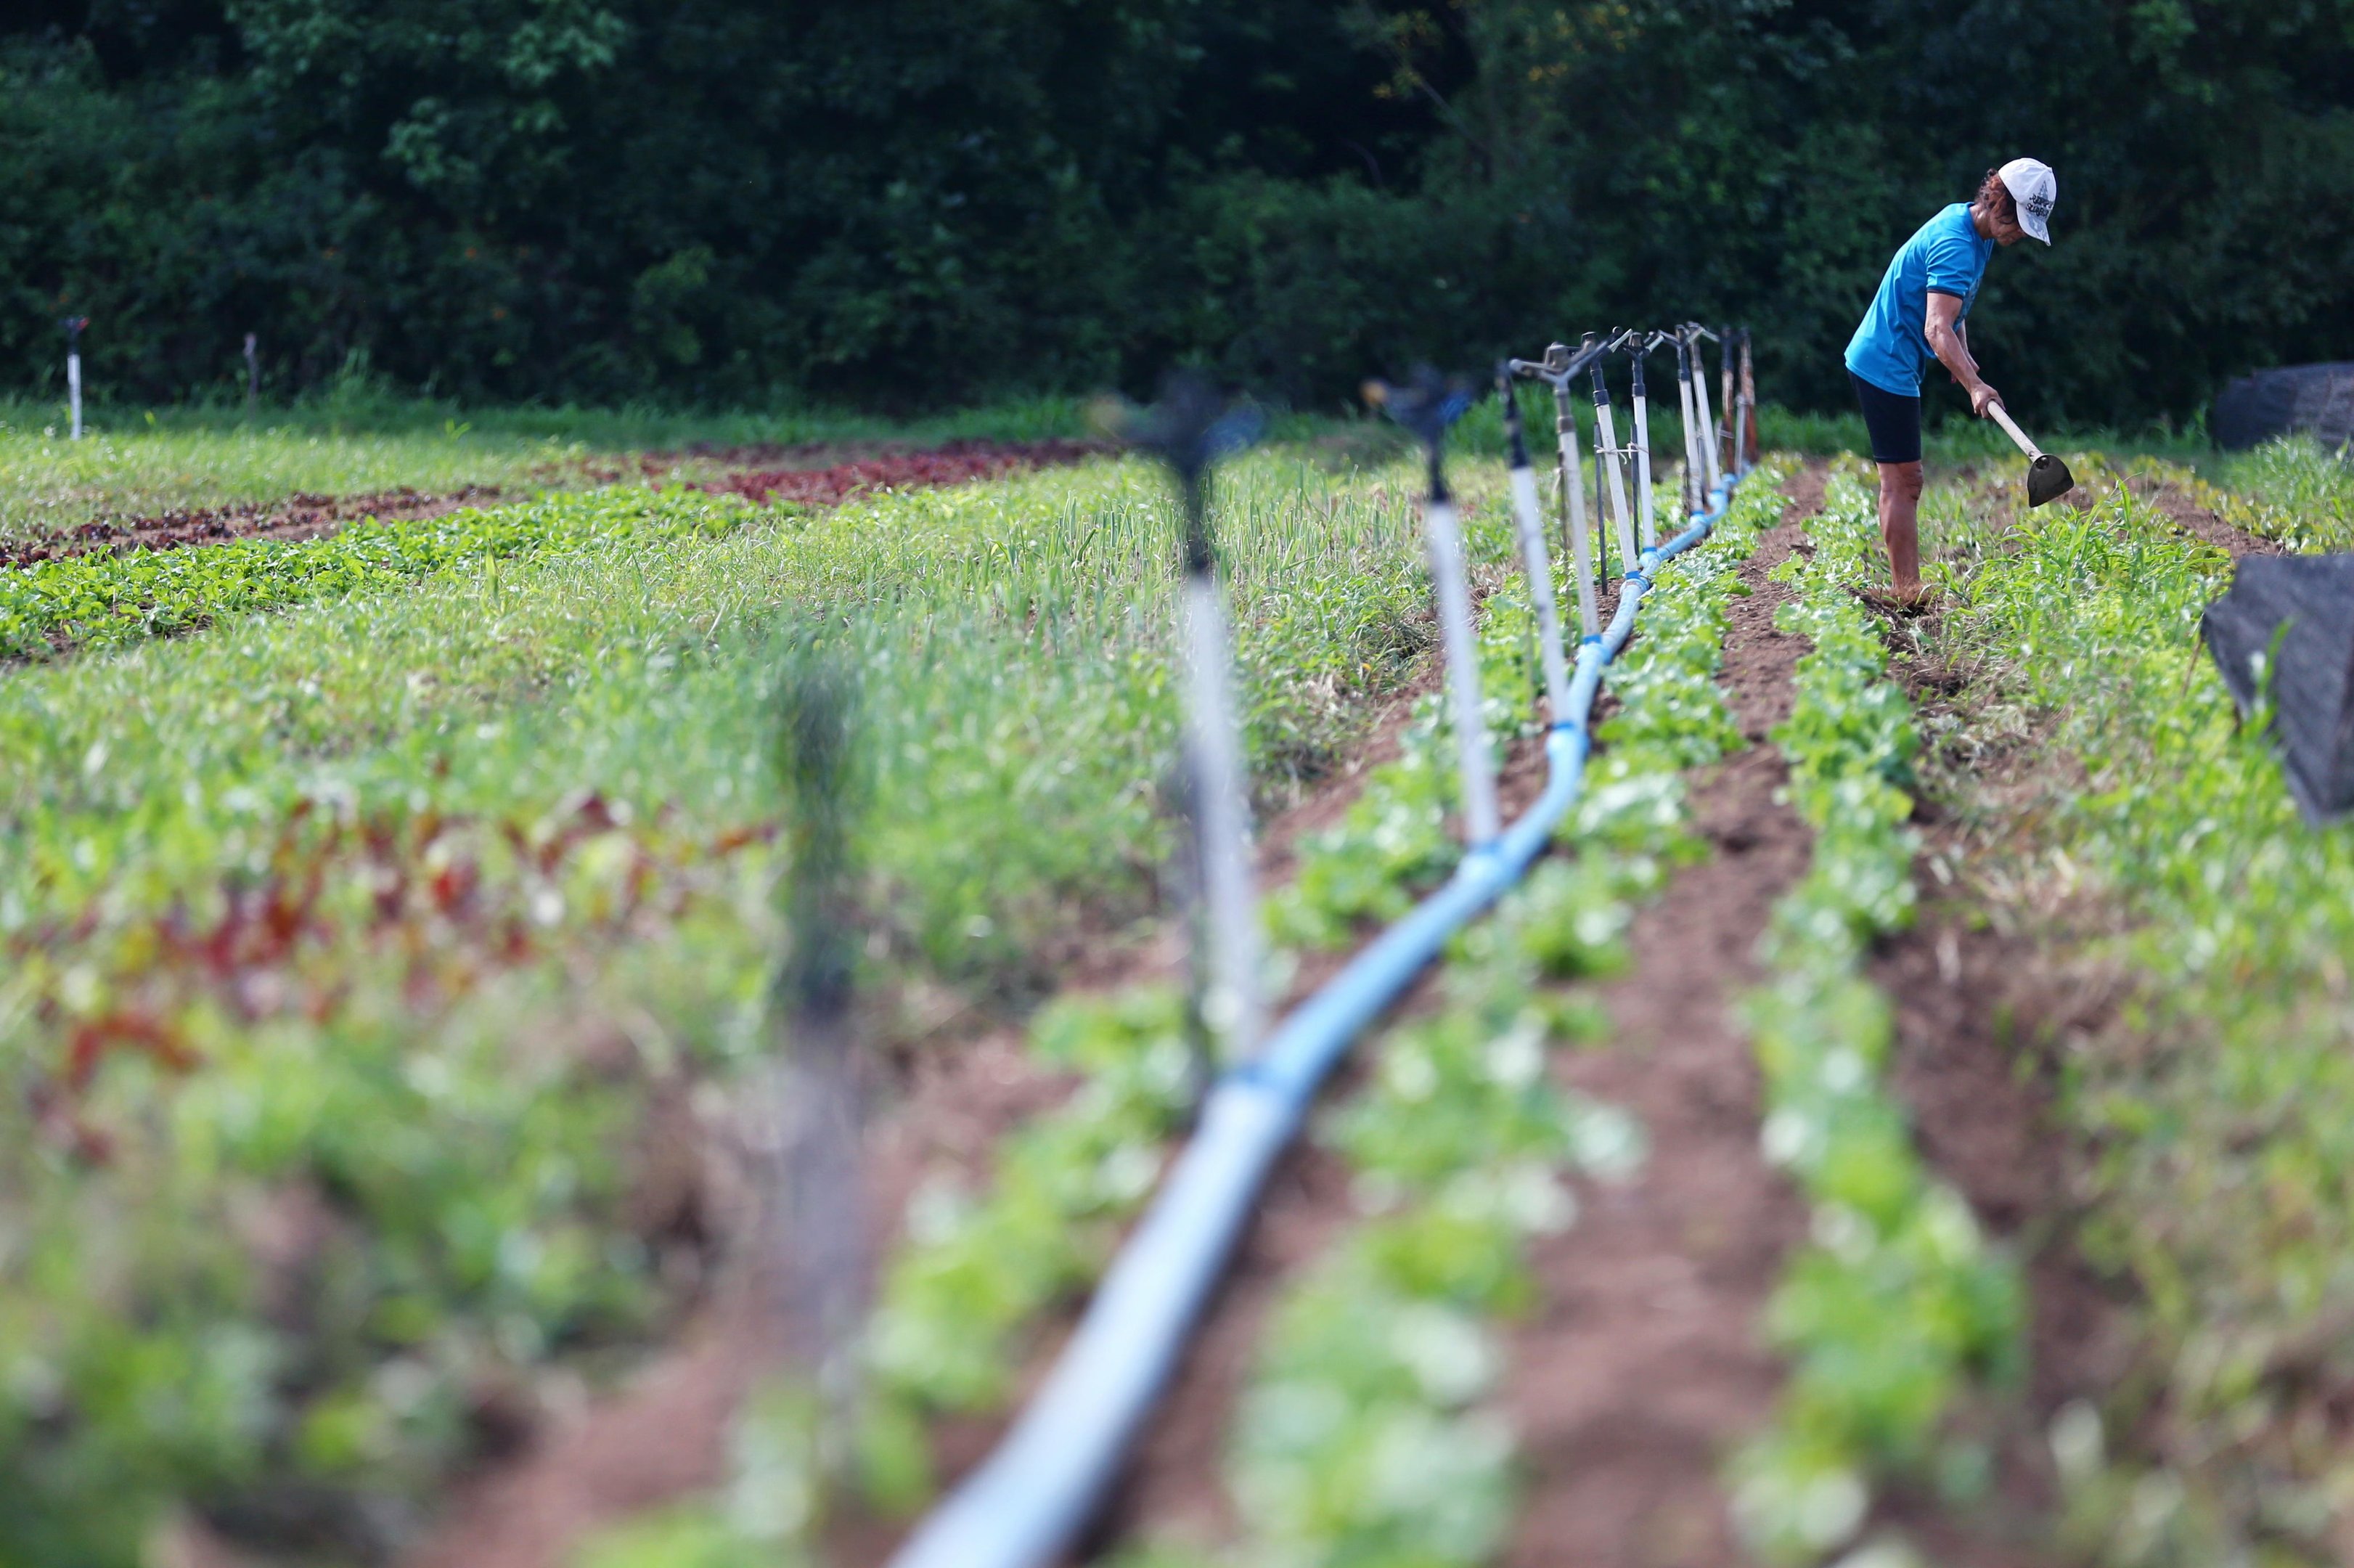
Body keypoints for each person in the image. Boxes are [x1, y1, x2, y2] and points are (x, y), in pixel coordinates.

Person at [1844, 158, 2056, 604]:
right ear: (1997, 198)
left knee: (1904, 480)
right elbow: (1935, 329)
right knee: (1904, 481)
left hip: (1892, 356)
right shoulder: (1958, 243)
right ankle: (1908, 592)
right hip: (1886, 361)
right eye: (2018, 220)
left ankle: (1907, 587)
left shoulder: (1972, 229)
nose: (2019, 233)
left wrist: (1967, 365)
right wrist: (1975, 386)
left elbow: (1952, 314)